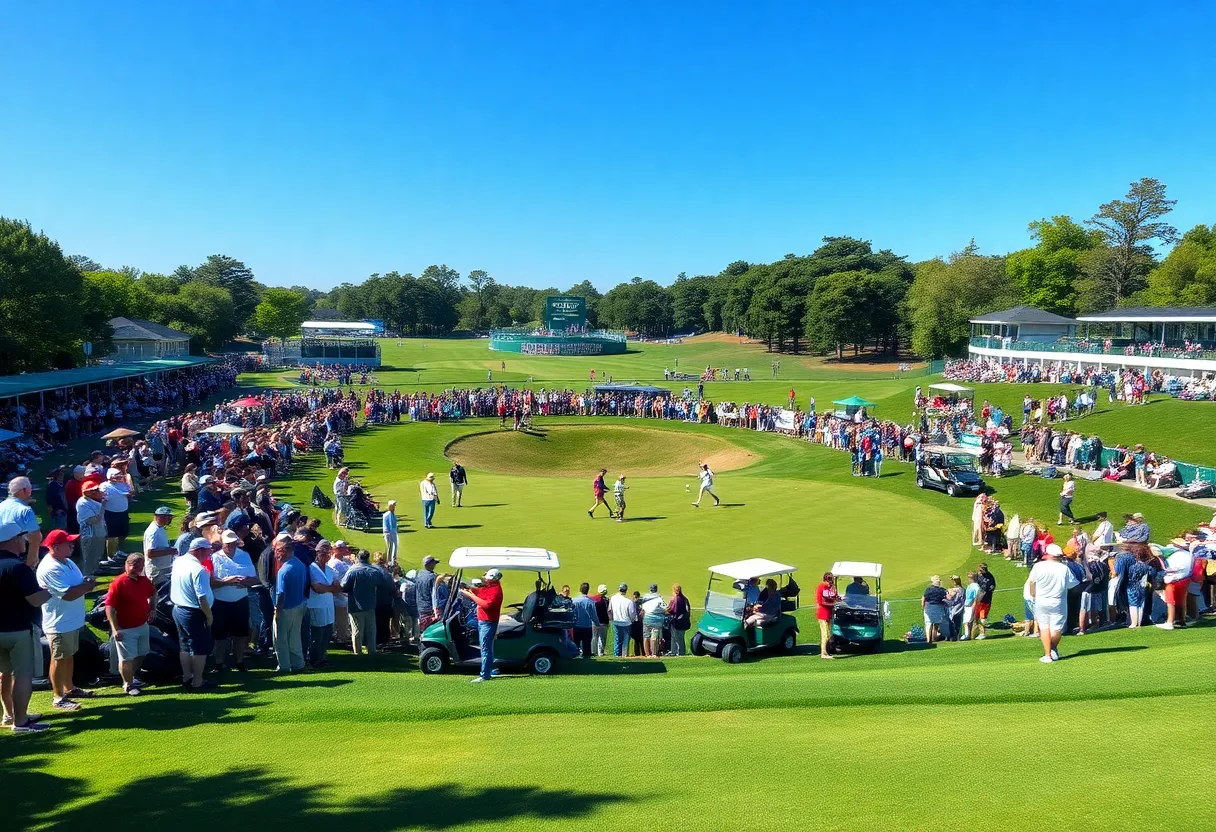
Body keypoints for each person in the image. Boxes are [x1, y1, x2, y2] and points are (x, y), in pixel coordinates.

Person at [37, 529, 95, 711]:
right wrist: (88, 586)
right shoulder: (50, 568)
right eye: (68, 543)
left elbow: (75, 585)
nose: (72, 545)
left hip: (72, 620)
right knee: (59, 659)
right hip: (59, 623)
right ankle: (58, 697)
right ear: (55, 547)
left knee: (68, 656)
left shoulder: (67, 562)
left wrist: (84, 583)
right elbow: (67, 595)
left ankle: (69, 688)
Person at [104, 553, 157, 695]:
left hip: (142, 625)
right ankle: (128, 684)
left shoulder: (143, 580)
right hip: (124, 628)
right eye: (133, 565)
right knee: (127, 658)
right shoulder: (118, 583)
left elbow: (153, 593)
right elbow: (109, 607)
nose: (137, 569)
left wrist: (152, 608)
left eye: (139, 566)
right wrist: (115, 629)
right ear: (126, 565)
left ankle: (131, 677)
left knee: (142, 654)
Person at [171, 537, 217, 690]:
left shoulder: (179, 561)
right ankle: (197, 682)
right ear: (199, 551)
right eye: (208, 550)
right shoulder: (198, 570)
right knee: (199, 648)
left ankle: (187, 676)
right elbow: (202, 597)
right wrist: (209, 615)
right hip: (194, 613)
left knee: (184, 646)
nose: (209, 554)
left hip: (178, 609)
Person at [210, 529, 258, 672]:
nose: (231, 546)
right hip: (221, 600)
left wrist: (245, 582)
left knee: (240, 633)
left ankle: (239, 661)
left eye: (233, 543)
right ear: (222, 544)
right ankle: (219, 662)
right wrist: (227, 582)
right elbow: (211, 582)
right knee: (220, 634)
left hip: (240, 599)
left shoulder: (244, 556)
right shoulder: (214, 558)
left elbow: (255, 579)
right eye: (228, 544)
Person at [1028, 543, 1079, 663]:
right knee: (1057, 629)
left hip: (1041, 600)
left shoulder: (1038, 566)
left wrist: (1033, 594)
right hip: (1058, 601)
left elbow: (1031, 582)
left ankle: (1048, 654)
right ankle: (1052, 650)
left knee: (1044, 628)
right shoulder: (1064, 568)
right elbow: (1073, 585)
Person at [460, 568, 504, 683]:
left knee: (485, 649)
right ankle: (491, 669)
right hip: (483, 621)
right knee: (488, 648)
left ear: (493, 579)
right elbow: (481, 592)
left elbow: (485, 604)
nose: (485, 579)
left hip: (488, 622)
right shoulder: (491, 587)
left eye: (487, 578)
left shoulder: (496, 590)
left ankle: (485, 675)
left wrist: (469, 595)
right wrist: (470, 589)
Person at [272, 533, 307, 673]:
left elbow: (281, 594)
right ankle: (298, 664)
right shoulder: (300, 564)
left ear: (285, 551)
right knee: (294, 638)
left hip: (286, 608)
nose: (276, 554)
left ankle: (284, 666)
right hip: (299, 605)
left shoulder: (284, 570)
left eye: (278, 551)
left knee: (280, 639)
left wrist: (277, 611)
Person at [341, 550, 381, 655]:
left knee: (357, 631)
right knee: (371, 630)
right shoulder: (374, 571)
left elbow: (343, 586)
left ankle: (357, 653)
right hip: (370, 605)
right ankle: (372, 651)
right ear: (368, 558)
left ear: (358, 558)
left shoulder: (353, 570)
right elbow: (381, 584)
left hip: (355, 605)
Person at [306, 542, 338, 667]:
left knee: (327, 632)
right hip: (316, 605)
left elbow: (338, 587)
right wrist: (331, 588)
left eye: (327, 553)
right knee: (317, 634)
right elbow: (316, 588)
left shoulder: (330, 570)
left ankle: (322, 656)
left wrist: (328, 588)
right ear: (317, 553)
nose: (325, 556)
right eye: (322, 553)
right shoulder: (311, 568)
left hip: (328, 604)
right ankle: (314, 658)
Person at [0, 476, 41, 567]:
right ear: (24, 490)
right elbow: (36, 539)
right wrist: (30, 565)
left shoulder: (1, 506)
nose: (31, 493)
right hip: (15, 560)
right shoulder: (25, 510)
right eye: (30, 490)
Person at [75, 479, 107, 576]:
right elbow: (93, 520)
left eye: (97, 489)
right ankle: (86, 576)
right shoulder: (82, 503)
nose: (96, 491)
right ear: (86, 492)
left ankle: (94, 570)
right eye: (93, 490)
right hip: (90, 534)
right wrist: (103, 506)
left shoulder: (94, 501)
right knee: (88, 556)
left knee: (98, 553)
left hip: (99, 532)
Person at [100, 467, 133, 557]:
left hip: (123, 512)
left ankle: (119, 551)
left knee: (123, 533)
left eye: (120, 475)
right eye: (116, 476)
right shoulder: (104, 486)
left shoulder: (122, 485)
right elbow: (104, 499)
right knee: (111, 535)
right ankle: (110, 555)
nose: (119, 477)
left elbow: (129, 494)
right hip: (111, 513)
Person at [142, 506, 178, 586]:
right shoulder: (153, 532)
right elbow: (150, 553)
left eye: (170, 518)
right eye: (168, 517)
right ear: (158, 517)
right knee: (159, 594)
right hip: (156, 571)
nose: (170, 520)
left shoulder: (160, 528)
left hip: (162, 568)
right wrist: (169, 551)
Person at [329, 541, 352, 646]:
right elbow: (336, 580)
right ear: (337, 549)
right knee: (341, 619)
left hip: (345, 595)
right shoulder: (334, 563)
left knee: (344, 618)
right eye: (342, 548)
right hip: (339, 596)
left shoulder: (344, 561)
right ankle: (341, 638)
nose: (345, 550)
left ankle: (342, 636)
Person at [815, 572, 838, 658]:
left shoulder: (830, 588)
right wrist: (832, 604)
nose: (831, 581)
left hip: (829, 614)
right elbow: (821, 602)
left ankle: (826, 651)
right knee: (825, 634)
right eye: (829, 579)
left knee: (828, 633)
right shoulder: (821, 587)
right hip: (823, 614)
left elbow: (833, 596)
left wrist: (837, 599)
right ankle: (823, 653)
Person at [609, 583, 635, 657]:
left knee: (617, 640)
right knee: (625, 641)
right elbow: (632, 614)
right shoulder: (629, 601)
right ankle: (624, 656)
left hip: (616, 622)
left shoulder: (613, 598)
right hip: (626, 623)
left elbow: (609, 610)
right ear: (626, 590)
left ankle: (617, 655)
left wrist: (612, 619)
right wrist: (632, 620)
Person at [640, 583, 667, 656]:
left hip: (647, 619)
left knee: (646, 636)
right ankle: (654, 654)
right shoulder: (659, 598)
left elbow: (642, 608)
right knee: (654, 637)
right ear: (656, 589)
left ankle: (647, 654)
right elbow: (665, 608)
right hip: (656, 620)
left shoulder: (645, 597)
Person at [571, 583, 597, 658]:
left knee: (576, 643)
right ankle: (586, 655)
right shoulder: (591, 602)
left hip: (577, 626)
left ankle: (575, 655)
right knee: (587, 644)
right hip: (587, 626)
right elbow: (594, 615)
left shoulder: (574, 600)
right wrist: (597, 623)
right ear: (587, 590)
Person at [666, 584, 691, 656]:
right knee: (680, 638)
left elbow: (673, 610)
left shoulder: (675, 599)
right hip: (684, 621)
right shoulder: (684, 598)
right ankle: (678, 652)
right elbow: (688, 610)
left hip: (676, 622)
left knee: (675, 638)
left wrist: (666, 611)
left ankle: (677, 652)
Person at [415, 555, 439, 628]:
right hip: (429, 607)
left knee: (423, 627)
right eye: (434, 563)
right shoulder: (432, 577)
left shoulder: (419, 574)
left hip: (420, 606)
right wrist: (436, 610)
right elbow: (434, 595)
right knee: (430, 628)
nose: (435, 565)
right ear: (429, 564)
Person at [973, 562, 996, 640]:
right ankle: (976, 632)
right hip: (978, 600)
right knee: (976, 617)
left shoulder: (990, 577)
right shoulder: (978, 576)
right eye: (981, 568)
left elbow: (991, 588)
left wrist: (984, 593)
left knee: (982, 618)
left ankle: (982, 634)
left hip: (986, 600)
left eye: (983, 568)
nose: (982, 570)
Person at [922, 576, 948, 643]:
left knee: (928, 623)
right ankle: (934, 637)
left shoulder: (928, 589)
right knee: (936, 623)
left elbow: (924, 599)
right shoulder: (942, 590)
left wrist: (923, 606)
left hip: (929, 607)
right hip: (938, 607)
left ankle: (928, 639)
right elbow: (946, 599)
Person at [945, 575, 965, 641]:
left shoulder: (960, 590)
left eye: (952, 580)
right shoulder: (960, 589)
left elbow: (954, 601)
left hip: (957, 609)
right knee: (953, 623)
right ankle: (952, 636)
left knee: (956, 624)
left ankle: (955, 637)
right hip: (953, 609)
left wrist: (947, 598)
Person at [961, 571, 980, 640]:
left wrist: (973, 605)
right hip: (967, 605)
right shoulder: (970, 585)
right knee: (966, 621)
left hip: (970, 605)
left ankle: (967, 635)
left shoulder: (975, 586)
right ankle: (969, 635)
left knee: (967, 621)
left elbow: (976, 596)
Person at [592, 584, 609, 657]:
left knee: (594, 637)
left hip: (594, 621)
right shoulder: (606, 600)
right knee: (602, 638)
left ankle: (594, 652)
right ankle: (600, 653)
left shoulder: (593, 599)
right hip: (603, 622)